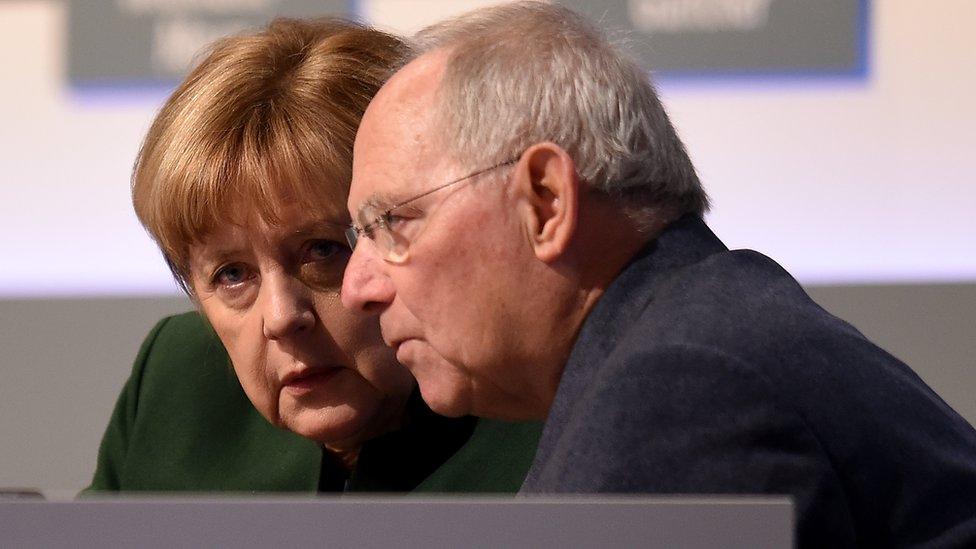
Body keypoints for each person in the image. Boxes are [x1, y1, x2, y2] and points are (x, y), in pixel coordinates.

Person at [340, 1, 976, 544]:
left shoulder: (679, 388)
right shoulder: (699, 327)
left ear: (546, 201)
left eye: (394, 222)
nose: (356, 287)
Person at [87, 17, 541, 493]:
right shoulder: (175, 381)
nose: (282, 318)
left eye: (322, 251)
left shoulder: (538, 406)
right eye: (231, 275)